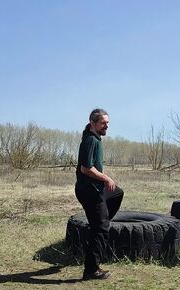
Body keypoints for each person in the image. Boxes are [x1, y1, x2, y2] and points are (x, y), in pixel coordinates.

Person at [75, 108, 124, 280]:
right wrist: (106, 178)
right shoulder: (90, 141)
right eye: (103, 123)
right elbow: (86, 169)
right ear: (93, 123)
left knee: (117, 193)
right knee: (102, 229)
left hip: (96, 188)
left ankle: (99, 223)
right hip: (88, 191)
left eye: (107, 123)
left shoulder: (95, 138)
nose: (106, 126)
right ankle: (91, 270)